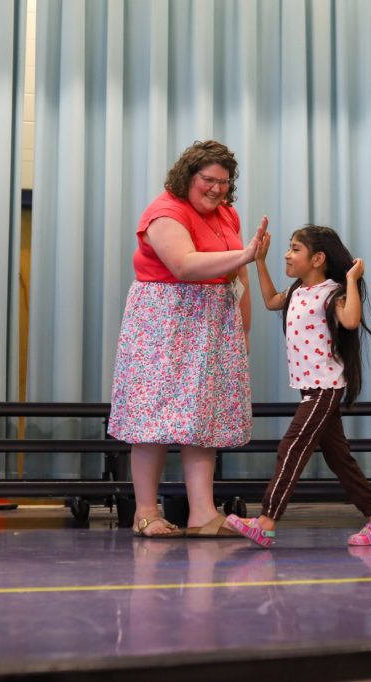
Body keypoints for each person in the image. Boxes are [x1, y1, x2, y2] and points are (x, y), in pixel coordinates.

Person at [108, 140, 266, 538]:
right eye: (208, 180)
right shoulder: (165, 212)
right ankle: (146, 512)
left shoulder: (227, 213)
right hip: (164, 324)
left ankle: (202, 514)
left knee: (203, 418)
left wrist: (243, 331)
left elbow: (239, 277)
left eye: (224, 182)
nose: (217, 189)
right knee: (153, 418)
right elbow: (184, 265)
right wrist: (245, 256)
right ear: (187, 176)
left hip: (212, 324)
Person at [225, 224, 371, 548]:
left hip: (325, 388)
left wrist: (352, 281)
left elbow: (350, 321)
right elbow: (271, 301)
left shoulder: (333, 292)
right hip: (309, 388)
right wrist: (260, 261)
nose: (287, 255)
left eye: (295, 249)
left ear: (318, 259)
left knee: (291, 446)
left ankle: (266, 522)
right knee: (338, 457)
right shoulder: (296, 291)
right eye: (289, 248)